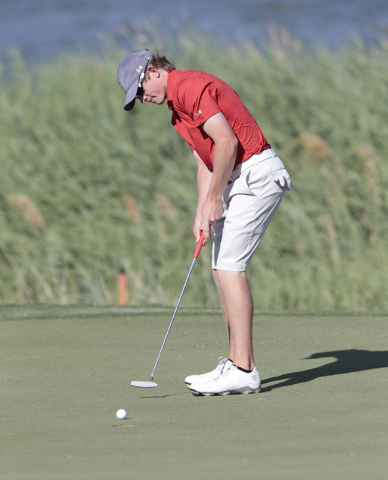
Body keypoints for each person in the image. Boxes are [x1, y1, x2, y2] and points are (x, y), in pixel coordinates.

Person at [117, 49, 290, 396]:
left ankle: (244, 369)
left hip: (258, 174)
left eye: (140, 90)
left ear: (153, 71)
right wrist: (201, 211)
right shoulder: (177, 113)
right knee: (219, 269)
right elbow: (206, 164)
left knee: (229, 268)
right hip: (237, 180)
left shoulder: (189, 86)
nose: (142, 99)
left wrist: (215, 200)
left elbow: (227, 142)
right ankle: (235, 361)